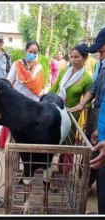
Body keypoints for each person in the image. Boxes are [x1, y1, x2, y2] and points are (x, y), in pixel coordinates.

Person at [68, 26, 105, 213]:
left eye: (102, 48)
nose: (99, 52)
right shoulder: (102, 65)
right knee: (95, 158)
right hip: (99, 119)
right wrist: (81, 105)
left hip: (100, 120)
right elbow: (94, 89)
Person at [49, 44, 93, 173]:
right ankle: (47, 167)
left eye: (77, 57)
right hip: (55, 111)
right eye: (72, 57)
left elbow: (88, 102)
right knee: (51, 140)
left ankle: (64, 171)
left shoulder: (87, 79)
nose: (73, 59)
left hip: (71, 115)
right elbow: (54, 88)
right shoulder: (63, 71)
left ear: (85, 59)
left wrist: (85, 121)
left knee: (68, 143)